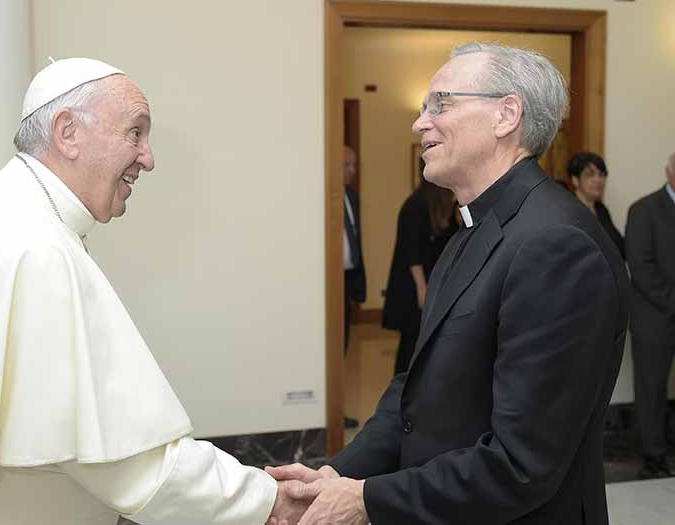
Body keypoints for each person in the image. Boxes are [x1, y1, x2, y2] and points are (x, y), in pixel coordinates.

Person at [0, 58, 305, 525]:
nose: (148, 157)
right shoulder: (35, 245)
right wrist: (268, 501)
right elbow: (123, 460)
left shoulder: (3, 209)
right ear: (68, 132)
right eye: (135, 133)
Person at [268, 43, 629, 524]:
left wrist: (367, 499)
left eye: (440, 104)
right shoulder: (474, 230)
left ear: (506, 115)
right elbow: (415, 391)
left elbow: (522, 464)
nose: (419, 123)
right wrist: (338, 474)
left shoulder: (557, 245)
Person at [625, 152, 675, 480]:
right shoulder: (643, 210)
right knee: (651, 390)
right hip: (655, 317)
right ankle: (654, 456)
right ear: (670, 170)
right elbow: (641, 269)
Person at [382, 168, 458, 375]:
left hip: (430, 282)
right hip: (414, 287)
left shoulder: (440, 206)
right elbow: (412, 252)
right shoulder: (416, 206)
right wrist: (422, 289)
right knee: (411, 343)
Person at [343, 145, 366, 429]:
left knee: (345, 343)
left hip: (347, 280)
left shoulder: (352, 197)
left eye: (353, 164)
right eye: (346, 164)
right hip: (331, 281)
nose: (352, 170)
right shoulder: (325, 196)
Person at [568, 152, 625, 259]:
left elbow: (619, 246)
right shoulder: (569, 210)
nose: (598, 180)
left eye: (601, 175)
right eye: (590, 175)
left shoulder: (601, 209)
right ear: (575, 180)